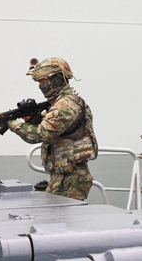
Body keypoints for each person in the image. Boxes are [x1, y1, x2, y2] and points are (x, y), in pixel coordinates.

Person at [5, 58, 98, 200]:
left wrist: (11, 124)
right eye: (39, 82)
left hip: (70, 179)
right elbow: (57, 129)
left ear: (57, 79)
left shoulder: (64, 105)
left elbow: (40, 134)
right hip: (63, 177)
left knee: (56, 213)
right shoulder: (64, 102)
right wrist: (33, 120)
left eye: (43, 81)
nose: (41, 85)